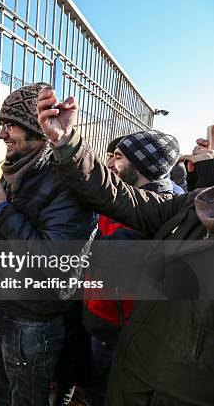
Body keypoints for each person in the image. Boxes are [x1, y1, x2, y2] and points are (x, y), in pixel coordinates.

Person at [37, 87, 214, 405]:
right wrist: (66, 142)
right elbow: (119, 198)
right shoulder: (193, 204)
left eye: (119, 157)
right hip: (131, 371)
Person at [0, 82, 95, 406]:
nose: (2, 134)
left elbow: (50, 259)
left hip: (34, 319)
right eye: (2, 125)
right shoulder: (19, 172)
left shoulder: (65, 183)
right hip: (6, 307)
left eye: (10, 126)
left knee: (25, 400)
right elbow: (2, 240)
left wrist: (1, 208)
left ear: (36, 131)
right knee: (2, 396)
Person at [81, 130, 180, 405]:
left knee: (105, 396)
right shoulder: (130, 201)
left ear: (143, 166)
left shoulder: (154, 214)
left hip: (117, 335)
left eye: (119, 157)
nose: (110, 163)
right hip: (104, 325)